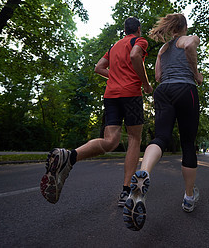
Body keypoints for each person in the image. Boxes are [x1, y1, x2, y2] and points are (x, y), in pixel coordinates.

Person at [40, 17, 153, 205]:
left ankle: (70, 156)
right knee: (134, 139)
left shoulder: (114, 46)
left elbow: (98, 67)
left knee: (110, 141)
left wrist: (116, 75)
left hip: (111, 95)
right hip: (131, 93)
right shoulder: (139, 41)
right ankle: (125, 191)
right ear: (138, 29)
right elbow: (135, 56)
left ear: (124, 30)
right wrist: (146, 84)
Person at [122, 13, 203, 231]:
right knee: (187, 143)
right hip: (186, 90)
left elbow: (157, 77)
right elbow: (187, 46)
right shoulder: (190, 38)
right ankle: (188, 197)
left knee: (161, 138)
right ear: (184, 26)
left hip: (164, 91)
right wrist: (195, 73)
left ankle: (145, 173)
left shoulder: (162, 49)